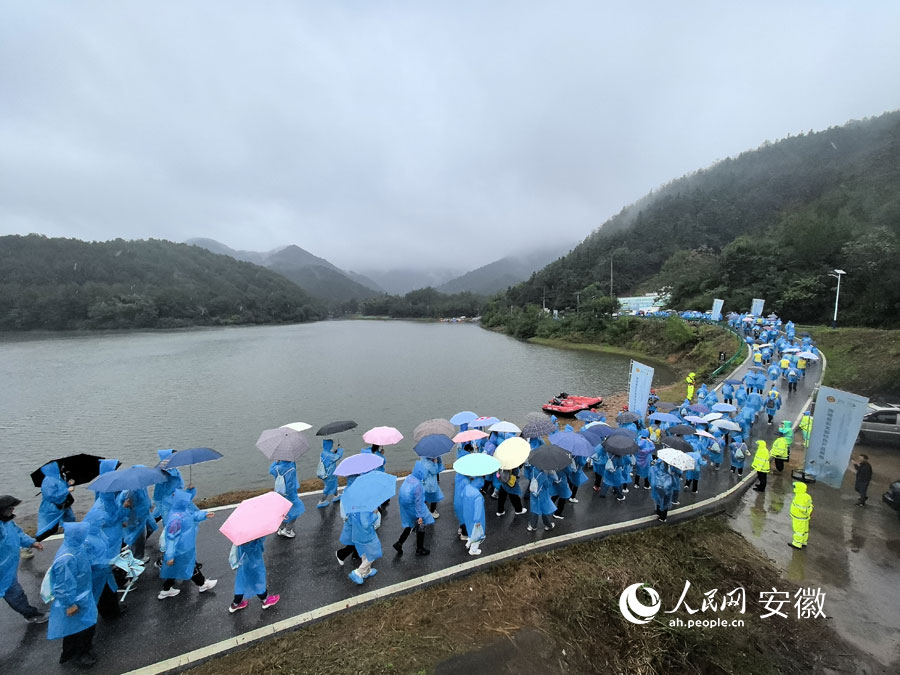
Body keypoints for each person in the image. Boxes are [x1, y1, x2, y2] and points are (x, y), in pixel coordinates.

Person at [48, 522, 98, 668]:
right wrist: (69, 604)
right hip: (76, 599)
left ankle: (68, 653)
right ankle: (82, 655)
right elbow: (62, 585)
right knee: (84, 628)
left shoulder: (76, 547)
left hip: (82, 595)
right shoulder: (67, 558)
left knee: (74, 628)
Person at [158, 489, 217, 599]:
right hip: (181, 549)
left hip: (184, 546)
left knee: (174, 570)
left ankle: (166, 590)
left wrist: (204, 514)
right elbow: (171, 538)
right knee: (190, 566)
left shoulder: (181, 511)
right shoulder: (176, 518)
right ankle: (202, 584)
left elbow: (193, 515)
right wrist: (170, 555)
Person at [0, 495, 47, 624]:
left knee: (15, 592)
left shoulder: (8, 522)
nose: (13, 510)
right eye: (10, 508)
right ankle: (31, 615)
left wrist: (32, 543)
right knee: (15, 593)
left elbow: (18, 534)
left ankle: (30, 613)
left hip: (7, 567)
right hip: (3, 570)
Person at [82, 509, 124, 619]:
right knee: (103, 594)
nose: (102, 523)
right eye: (100, 521)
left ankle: (115, 610)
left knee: (110, 590)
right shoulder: (86, 540)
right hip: (98, 572)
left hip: (105, 569)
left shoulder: (98, 532)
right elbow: (90, 561)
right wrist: (108, 563)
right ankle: (109, 615)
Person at [228, 536, 279, 613]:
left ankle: (235, 603)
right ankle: (265, 600)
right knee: (258, 581)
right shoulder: (254, 539)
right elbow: (260, 548)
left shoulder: (240, 538)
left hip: (243, 563)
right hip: (254, 564)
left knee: (241, 583)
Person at [393, 462, 434, 556]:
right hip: (413, 505)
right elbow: (418, 501)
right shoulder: (418, 485)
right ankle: (420, 549)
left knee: (410, 524)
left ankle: (399, 543)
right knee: (421, 524)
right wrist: (420, 516)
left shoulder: (410, 477)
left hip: (405, 505)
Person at [339, 509, 381, 585]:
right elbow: (365, 524)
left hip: (357, 533)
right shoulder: (364, 508)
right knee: (374, 553)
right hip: (366, 535)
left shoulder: (355, 505)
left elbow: (350, 519)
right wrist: (374, 514)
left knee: (365, 552)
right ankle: (358, 572)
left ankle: (366, 572)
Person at [36, 461, 75, 541]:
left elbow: (60, 488)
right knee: (48, 527)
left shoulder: (58, 477)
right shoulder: (48, 480)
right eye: (61, 466)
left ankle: (71, 535)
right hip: (53, 507)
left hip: (64, 504)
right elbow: (51, 496)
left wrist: (68, 484)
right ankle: (38, 542)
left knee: (71, 520)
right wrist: (67, 490)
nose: (63, 468)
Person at [270, 459, 305, 538]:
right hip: (290, 495)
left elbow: (270, 470)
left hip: (280, 494)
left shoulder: (277, 467)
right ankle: (288, 530)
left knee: (283, 511)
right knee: (295, 511)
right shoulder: (291, 469)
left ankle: (280, 528)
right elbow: (290, 486)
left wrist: (276, 461)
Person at [461, 475, 487, 555]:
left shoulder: (467, 487)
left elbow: (462, 496)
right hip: (475, 517)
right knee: (477, 533)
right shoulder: (477, 495)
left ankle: (469, 542)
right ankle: (473, 550)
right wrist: (478, 520)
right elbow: (478, 509)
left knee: (470, 529)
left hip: (467, 513)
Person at [316, 439, 344, 508]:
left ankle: (336, 495)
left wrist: (334, 451)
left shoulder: (323, 453)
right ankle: (322, 501)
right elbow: (337, 457)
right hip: (330, 474)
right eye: (331, 444)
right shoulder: (329, 455)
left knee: (334, 484)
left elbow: (331, 456)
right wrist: (340, 449)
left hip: (326, 473)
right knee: (328, 487)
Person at [789, 482, 813, 549]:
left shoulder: (799, 497)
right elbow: (810, 505)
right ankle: (803, 542)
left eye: (795, 487)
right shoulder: (807, 496)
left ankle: (797, 544)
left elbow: (802, 508)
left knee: (798, 531)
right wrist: (809, 513)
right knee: (804, 530)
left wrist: (806, 512)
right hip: (804, 518)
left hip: (799, 517)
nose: (794, 488)